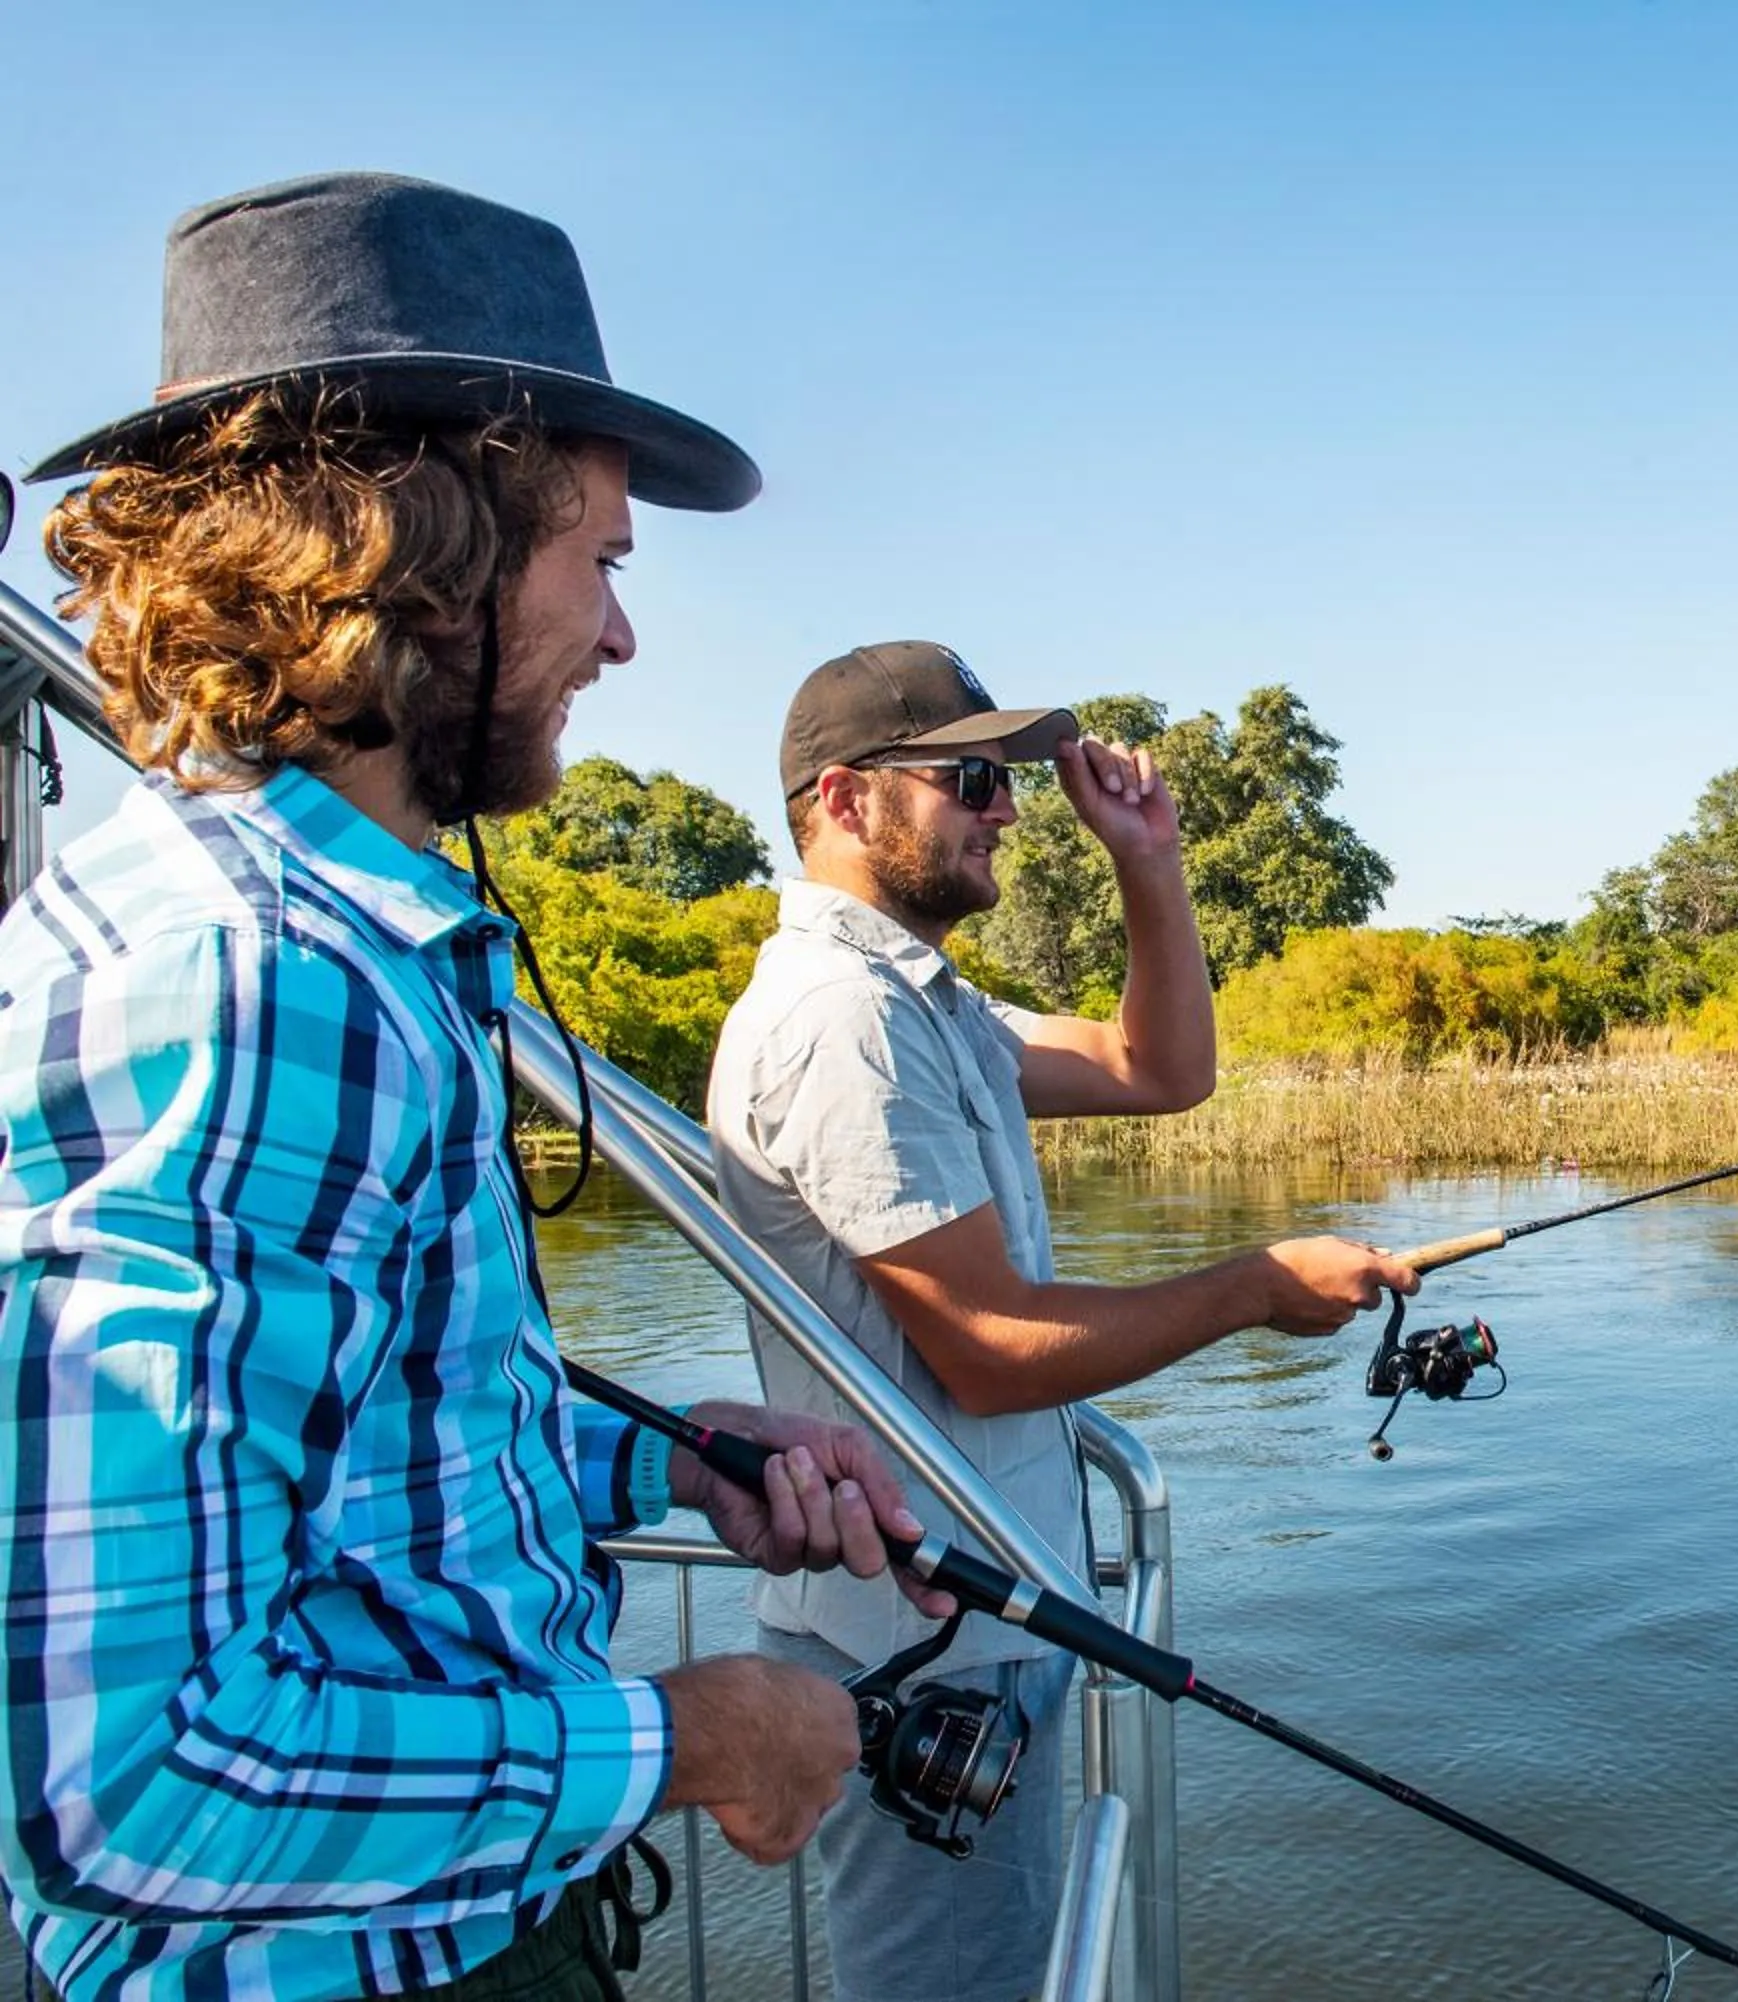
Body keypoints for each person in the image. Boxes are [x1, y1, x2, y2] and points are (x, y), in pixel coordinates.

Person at [0, 173, 953, 2002]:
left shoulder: (352, 949)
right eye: (598, 558)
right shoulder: (236, 979)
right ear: (416, 554)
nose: (621, 636)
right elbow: (116, 1785)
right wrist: (689, 1738)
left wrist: (666, 1456)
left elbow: (353, 1460)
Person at [708, 640, 1419, 2001]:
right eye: (973, 779)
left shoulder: (927, 1006)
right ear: (848, 800)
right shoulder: (840, 1022)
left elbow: (1162, 1067)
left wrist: (1147, 858)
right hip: (918, 1648)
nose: (1011, 812)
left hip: (974, 1626)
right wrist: (1255, 1285)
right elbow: (987, 1345)